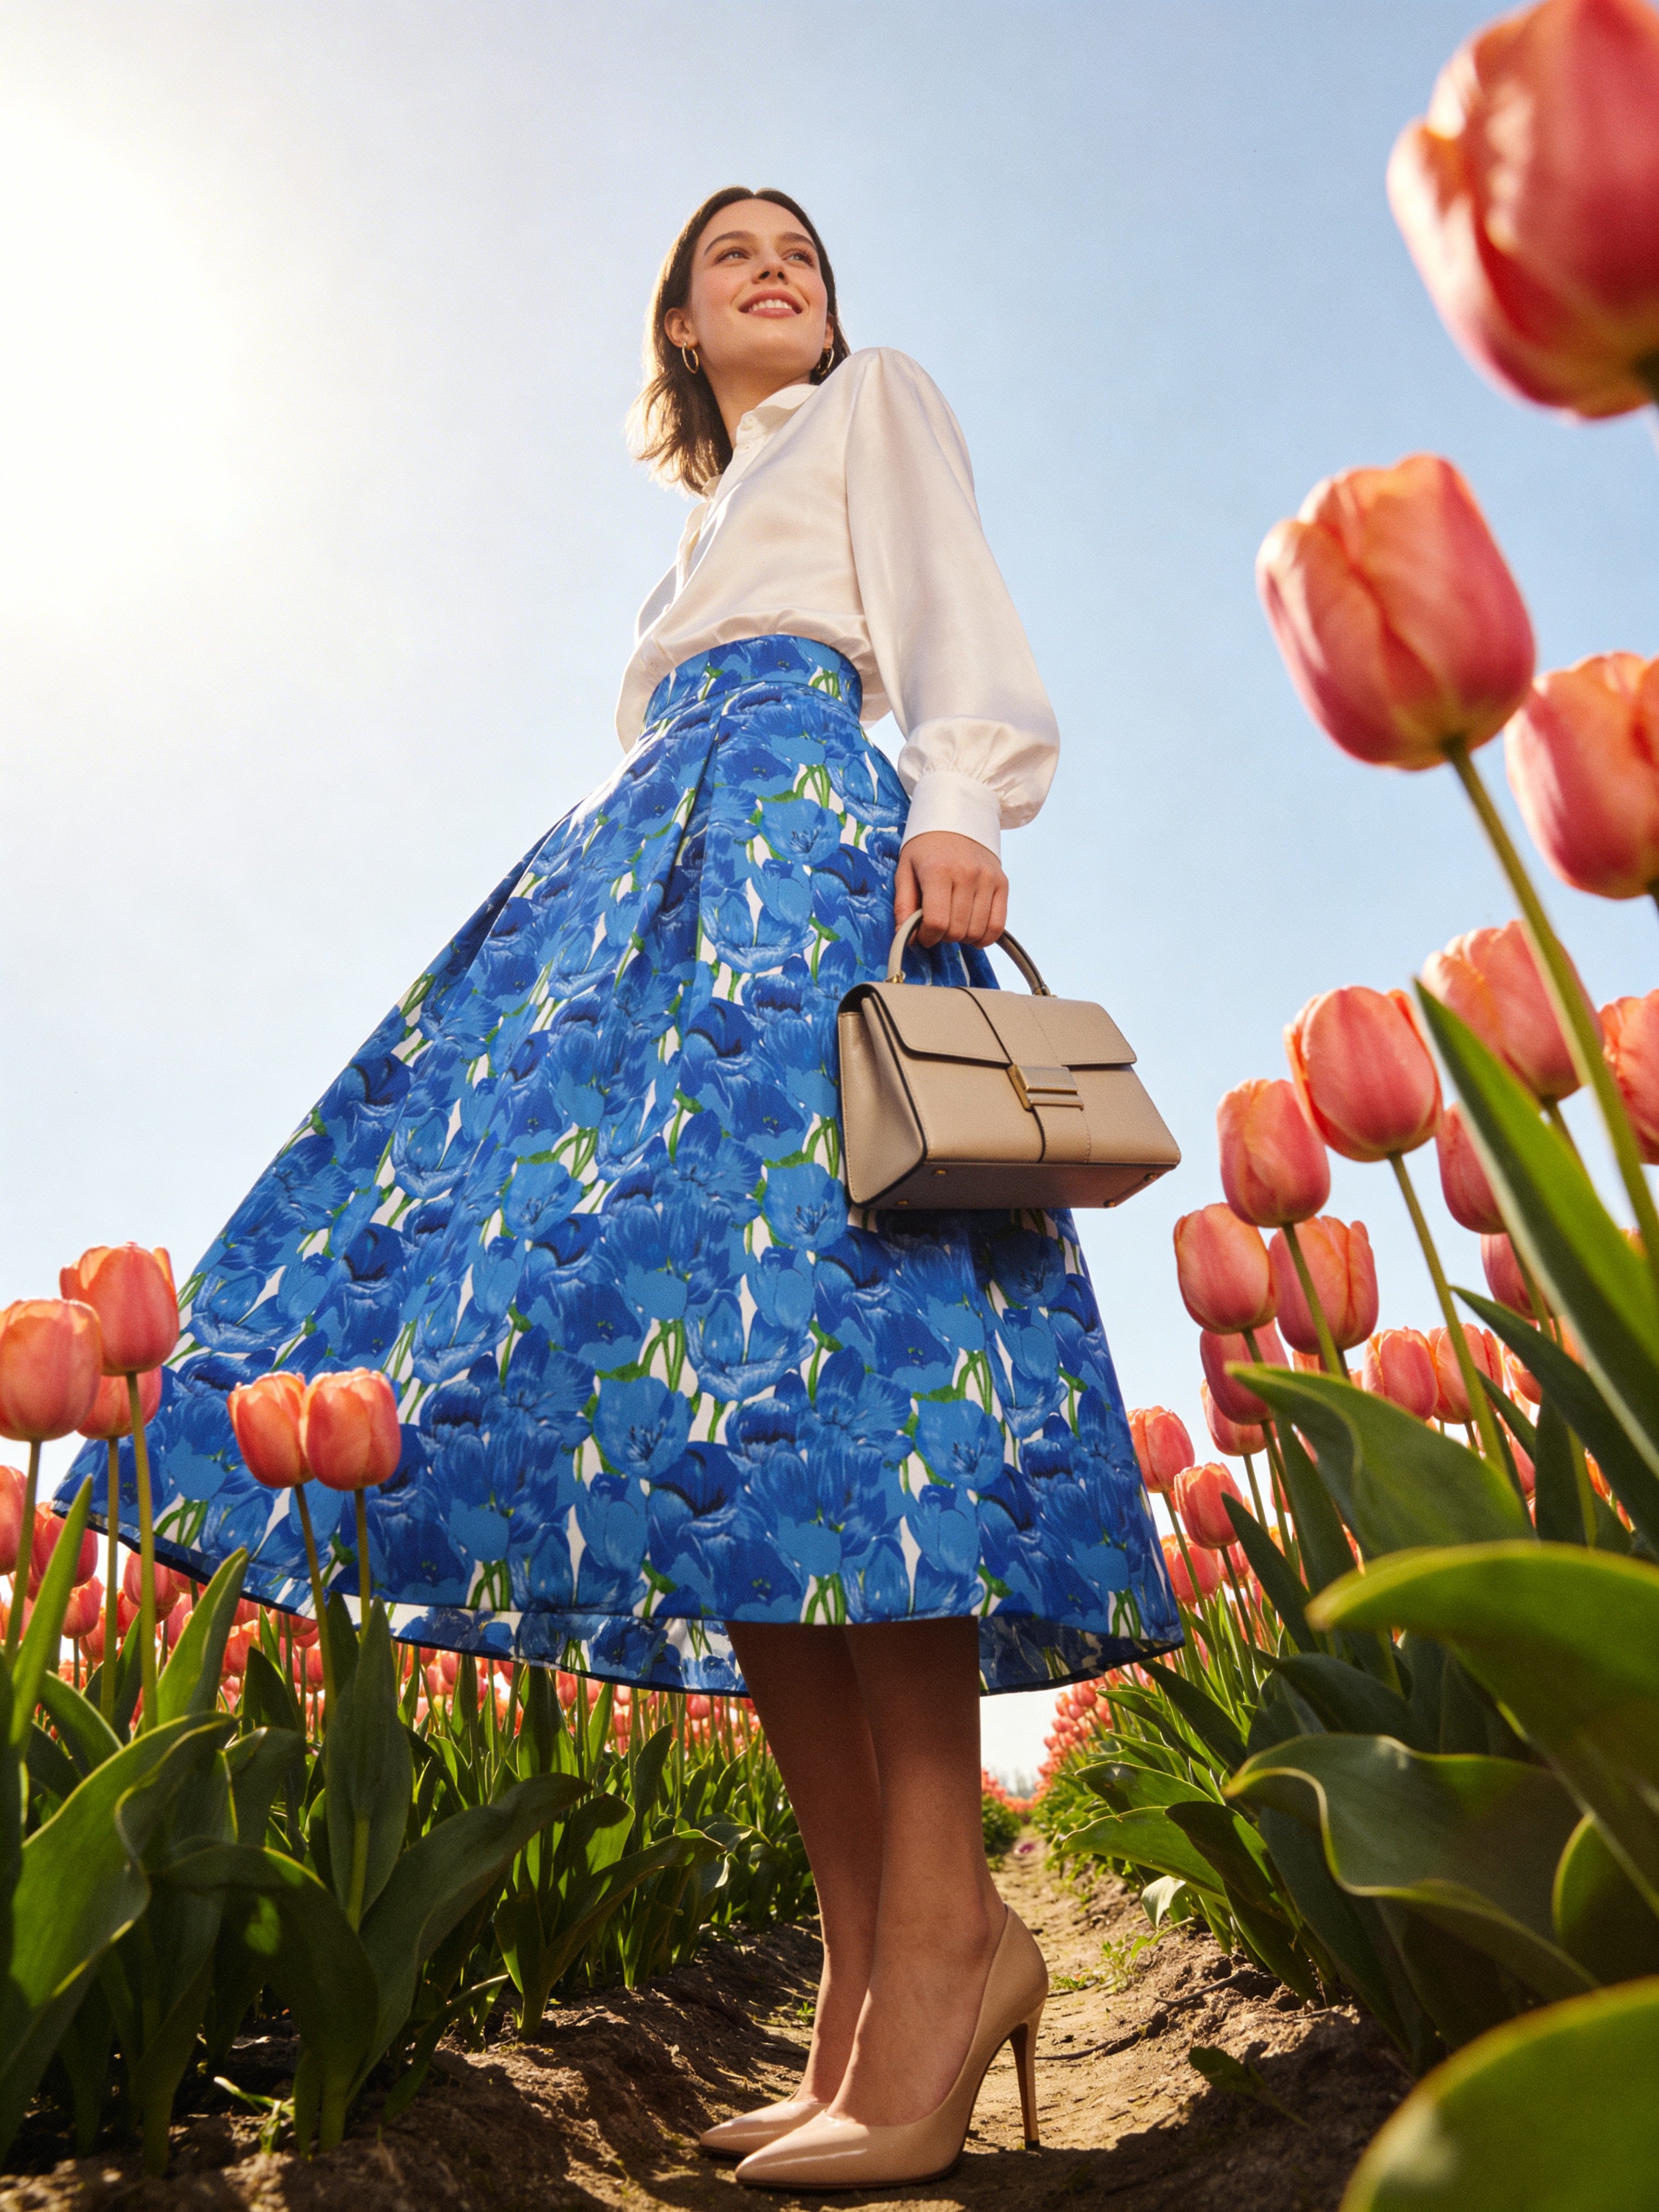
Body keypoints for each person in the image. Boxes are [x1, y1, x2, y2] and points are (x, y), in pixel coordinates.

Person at [68, 185, 1178, 2188]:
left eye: (807, 258)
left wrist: (951, 813)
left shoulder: (875, 411)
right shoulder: (691, 536)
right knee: (707, 1422)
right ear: (675, 318)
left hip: (801, 888)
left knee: (854, 1390)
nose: (779, 274)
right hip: (644, 912)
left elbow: (955, 636)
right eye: (734, 256)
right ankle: (867, 1981)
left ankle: (948, 1939)